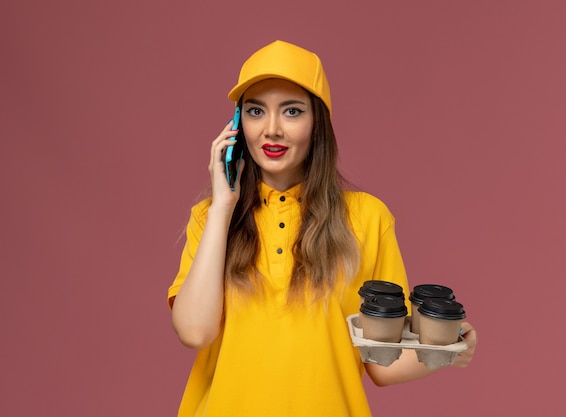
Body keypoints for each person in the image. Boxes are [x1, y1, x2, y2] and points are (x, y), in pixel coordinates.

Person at [168, 40, 477, 417]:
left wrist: (445, 352)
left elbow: (381, 362)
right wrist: (223, 208)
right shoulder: (209, 218)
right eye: (255, 111)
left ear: (318, 124)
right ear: (236, 125)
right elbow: (194, 332)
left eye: (292, 111)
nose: (272, 129)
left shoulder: (367, 218)